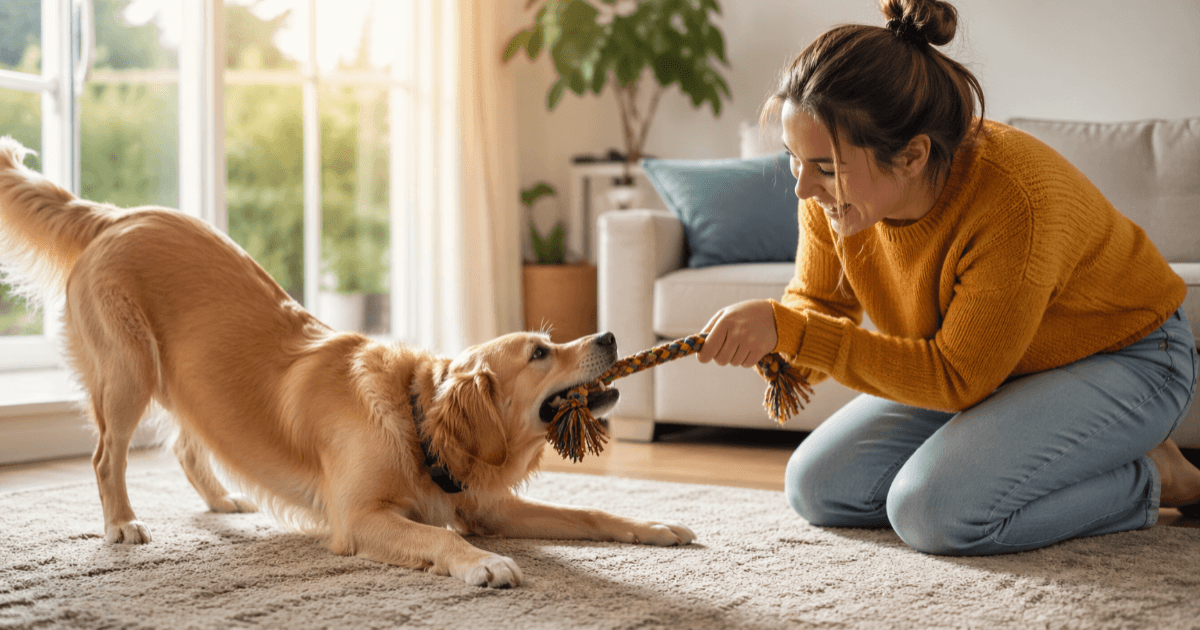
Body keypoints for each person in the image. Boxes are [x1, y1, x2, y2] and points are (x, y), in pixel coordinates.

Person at [695, 0, 1200, 555]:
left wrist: (794, 332)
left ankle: (1155, 478)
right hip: (994, 365)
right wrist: (779, 343)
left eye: (825, 168)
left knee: (933, 514)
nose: (803, 188)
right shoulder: (832, 194)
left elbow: (958, 379)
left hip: (1129, 356)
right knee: (817, 487)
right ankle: (1044, 453)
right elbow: (821, 305)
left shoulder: (1016, 200)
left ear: (912, 156)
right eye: (793, 158)